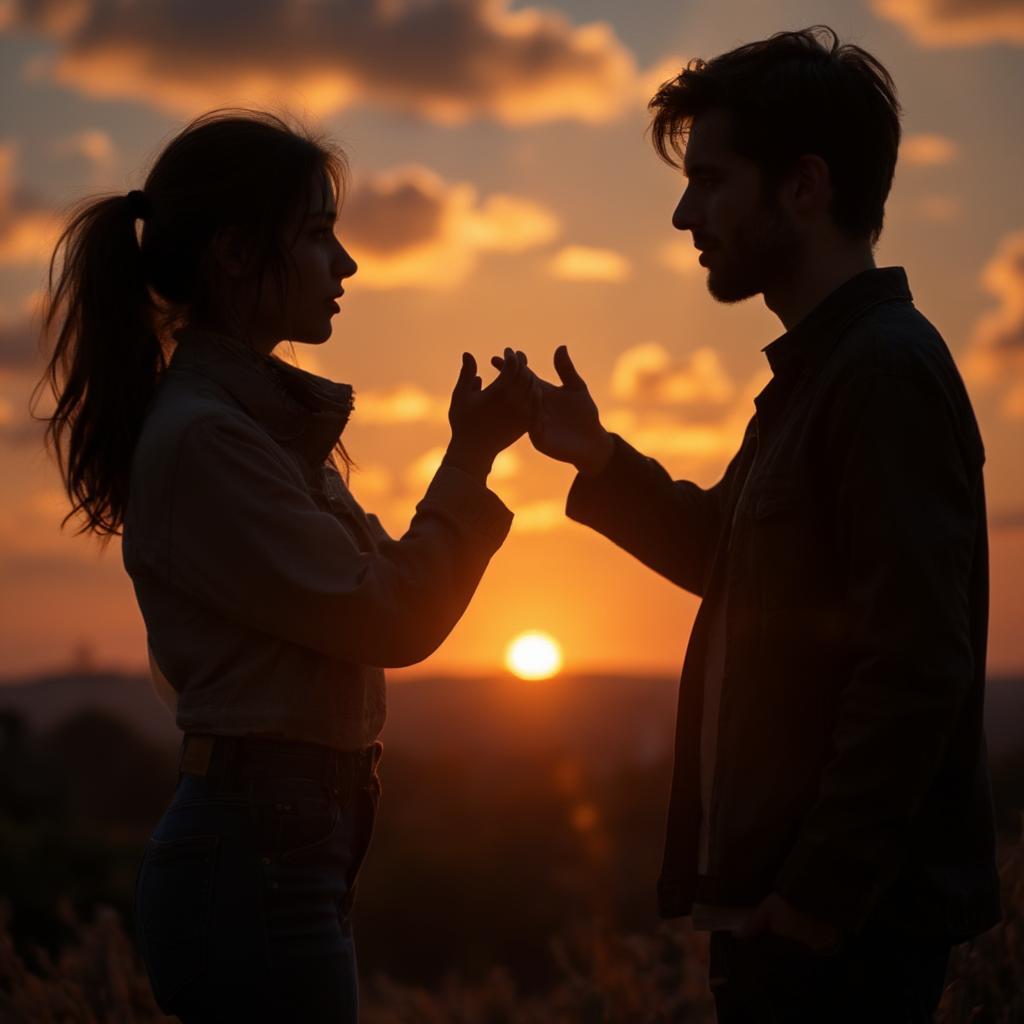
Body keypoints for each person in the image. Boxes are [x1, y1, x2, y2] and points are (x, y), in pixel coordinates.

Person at [519, 26, 1001, 1023]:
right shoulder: (821, 376)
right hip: (790, 924)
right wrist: (600, 460)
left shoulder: (882, 375)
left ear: (804, 186)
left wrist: (819, 892)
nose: (684, 213)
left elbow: (915, 662)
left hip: (839, 940)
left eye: (711, 179)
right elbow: (726, 558)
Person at [34, 109, 533, 1022]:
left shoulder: (254, 430)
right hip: (254, 867)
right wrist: (468, 464)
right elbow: (393, 615)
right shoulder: (210, 442)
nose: (344, 265)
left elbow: (385, 586)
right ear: (234, 253)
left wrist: (471, 453)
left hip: (277, 856)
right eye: (317, 235)